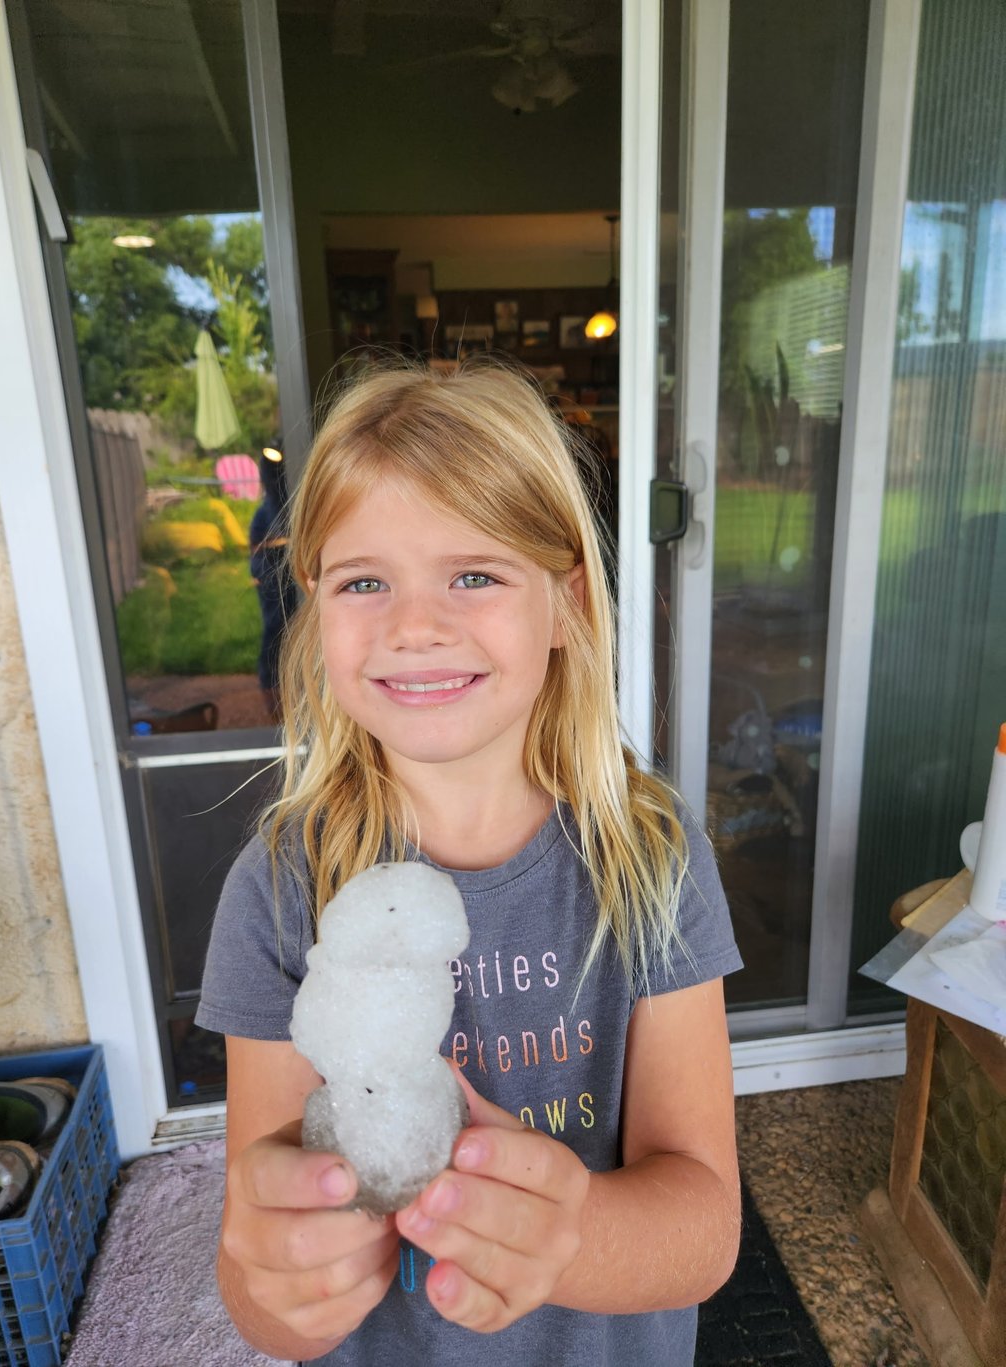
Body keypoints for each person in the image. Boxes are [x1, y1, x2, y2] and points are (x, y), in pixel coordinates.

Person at [196, 361, 743, 1366]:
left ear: (568, 603)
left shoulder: (651, 859)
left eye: (474, 573)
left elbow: (703, 1223)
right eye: (364, 581)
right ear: (315, 612)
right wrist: (285, 1277)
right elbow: (266, 1294)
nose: (414, 625)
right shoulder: (281, 890)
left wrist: (566, 1230)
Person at [249, 446, 299, 721]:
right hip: (272, 579)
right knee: (276, 633)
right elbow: (256, 550)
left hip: (296, 583)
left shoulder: (295, 505)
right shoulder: (264, 514)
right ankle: (275, 706)